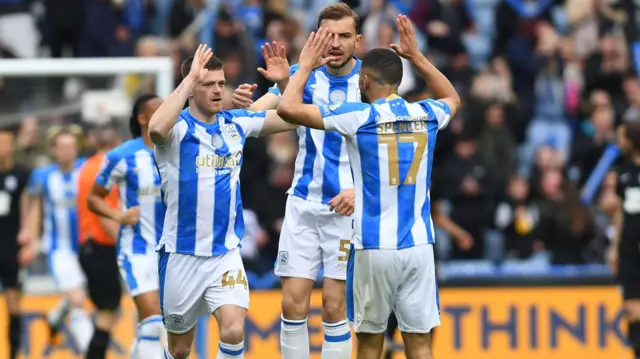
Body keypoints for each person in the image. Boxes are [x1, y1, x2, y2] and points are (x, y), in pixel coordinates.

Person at [276, 15, 460, 359]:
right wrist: (417, 56)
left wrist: (302, 67)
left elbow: (287, 108)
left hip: (373, 246)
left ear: (364, 80)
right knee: (420, 344)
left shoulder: (359, 116)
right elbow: (452, 96)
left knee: (370, 343)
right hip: (419, 246)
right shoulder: (426, 114)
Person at [148, 45, 299, 359]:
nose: (218, 90)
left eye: (221, 83)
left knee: (232, 329)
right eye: (208, 84)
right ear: (190, 89)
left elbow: (291, 118)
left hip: (225, 254)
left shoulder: (236, 124)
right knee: (179, 349)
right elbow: (155, 128)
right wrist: (189, 79)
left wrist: (286, 81)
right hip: (180, 255)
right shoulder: (176, 131)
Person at [232, 5, 362, 357]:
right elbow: (258, 117)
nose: (335, 43)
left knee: (335, 308)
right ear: (314, 39)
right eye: (327, 36)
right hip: (303, 203)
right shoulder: (299, 75)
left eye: (344, 36)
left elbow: (388, 144)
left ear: (358, 41)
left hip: (349, 208)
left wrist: (359, 192)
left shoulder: (370, 82)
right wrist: (239, 104)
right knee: (292, 307)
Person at [88, 94, 166, 359]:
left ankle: (137, 352)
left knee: (165, 325)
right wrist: (118, 216)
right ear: (143, 118)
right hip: (137, 248)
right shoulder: (122, 156)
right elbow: (93, 198)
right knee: (154, 321)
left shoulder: (179, 151)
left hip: (173, 251)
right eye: (159, 109)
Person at [21, 127, 94, 352]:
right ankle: (91, 351)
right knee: (77, 299)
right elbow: (32, 206)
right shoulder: (43, 176)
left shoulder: (88, 169)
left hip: (87, 246)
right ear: (53, 150)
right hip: (58, 249)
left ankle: (54, 317)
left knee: (82, 294)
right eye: (61, 147)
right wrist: (29, 238)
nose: (66, 151)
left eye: (71, 146)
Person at [76, 122, 123, 359]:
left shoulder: (88, 166)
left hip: (91, 246)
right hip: (101, 247)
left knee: (107, 311)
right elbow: (103, 212)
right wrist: (126, 244)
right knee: (108, 312)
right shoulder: (105, 169)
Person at [608, 121, 640, 359]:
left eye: (622, 137)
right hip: (630, 248)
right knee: (632, 310)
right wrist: (615, 247)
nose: (619, 142)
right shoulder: (623, 171)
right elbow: (620, 211)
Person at [0, 129, 31, 359]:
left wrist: (28, 239)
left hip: (11, 247)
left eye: (5, 143)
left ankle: (14, 353)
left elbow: (29, 208)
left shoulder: (22, 175)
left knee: (14, 303)